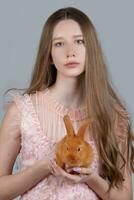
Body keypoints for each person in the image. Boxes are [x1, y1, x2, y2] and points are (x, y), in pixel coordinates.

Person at [0, 6, 133, 200]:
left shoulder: (113, 116)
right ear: (49, 55)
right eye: (59, 44)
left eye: (79, 41)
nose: (70, 52)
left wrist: (91, 178)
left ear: (91, 49)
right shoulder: (21, 112)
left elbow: (125, 197)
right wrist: (45, 166)